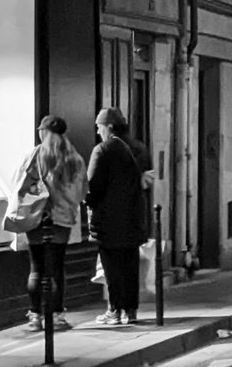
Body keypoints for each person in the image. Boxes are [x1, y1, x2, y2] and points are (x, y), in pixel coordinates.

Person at [11, 115, 86, 332]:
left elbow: (17, 184)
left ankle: (35, 316)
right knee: (57, 268)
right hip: (62, 220)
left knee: (37, 268)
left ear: (43, 132)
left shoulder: (34, 156)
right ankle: (57, 316)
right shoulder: (74, 159)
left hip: (37, 217)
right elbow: (81, 192)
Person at [86, 107, 147, 326]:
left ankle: (114, 310)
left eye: (99, 126)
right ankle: (130, 311)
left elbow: (92, 187)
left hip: (109, 221)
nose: (97, 131)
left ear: (108, 126)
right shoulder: (129, 149)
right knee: (129, 266)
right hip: (131, 219)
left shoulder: (102, 150)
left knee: (112, 267)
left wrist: (88, 203)